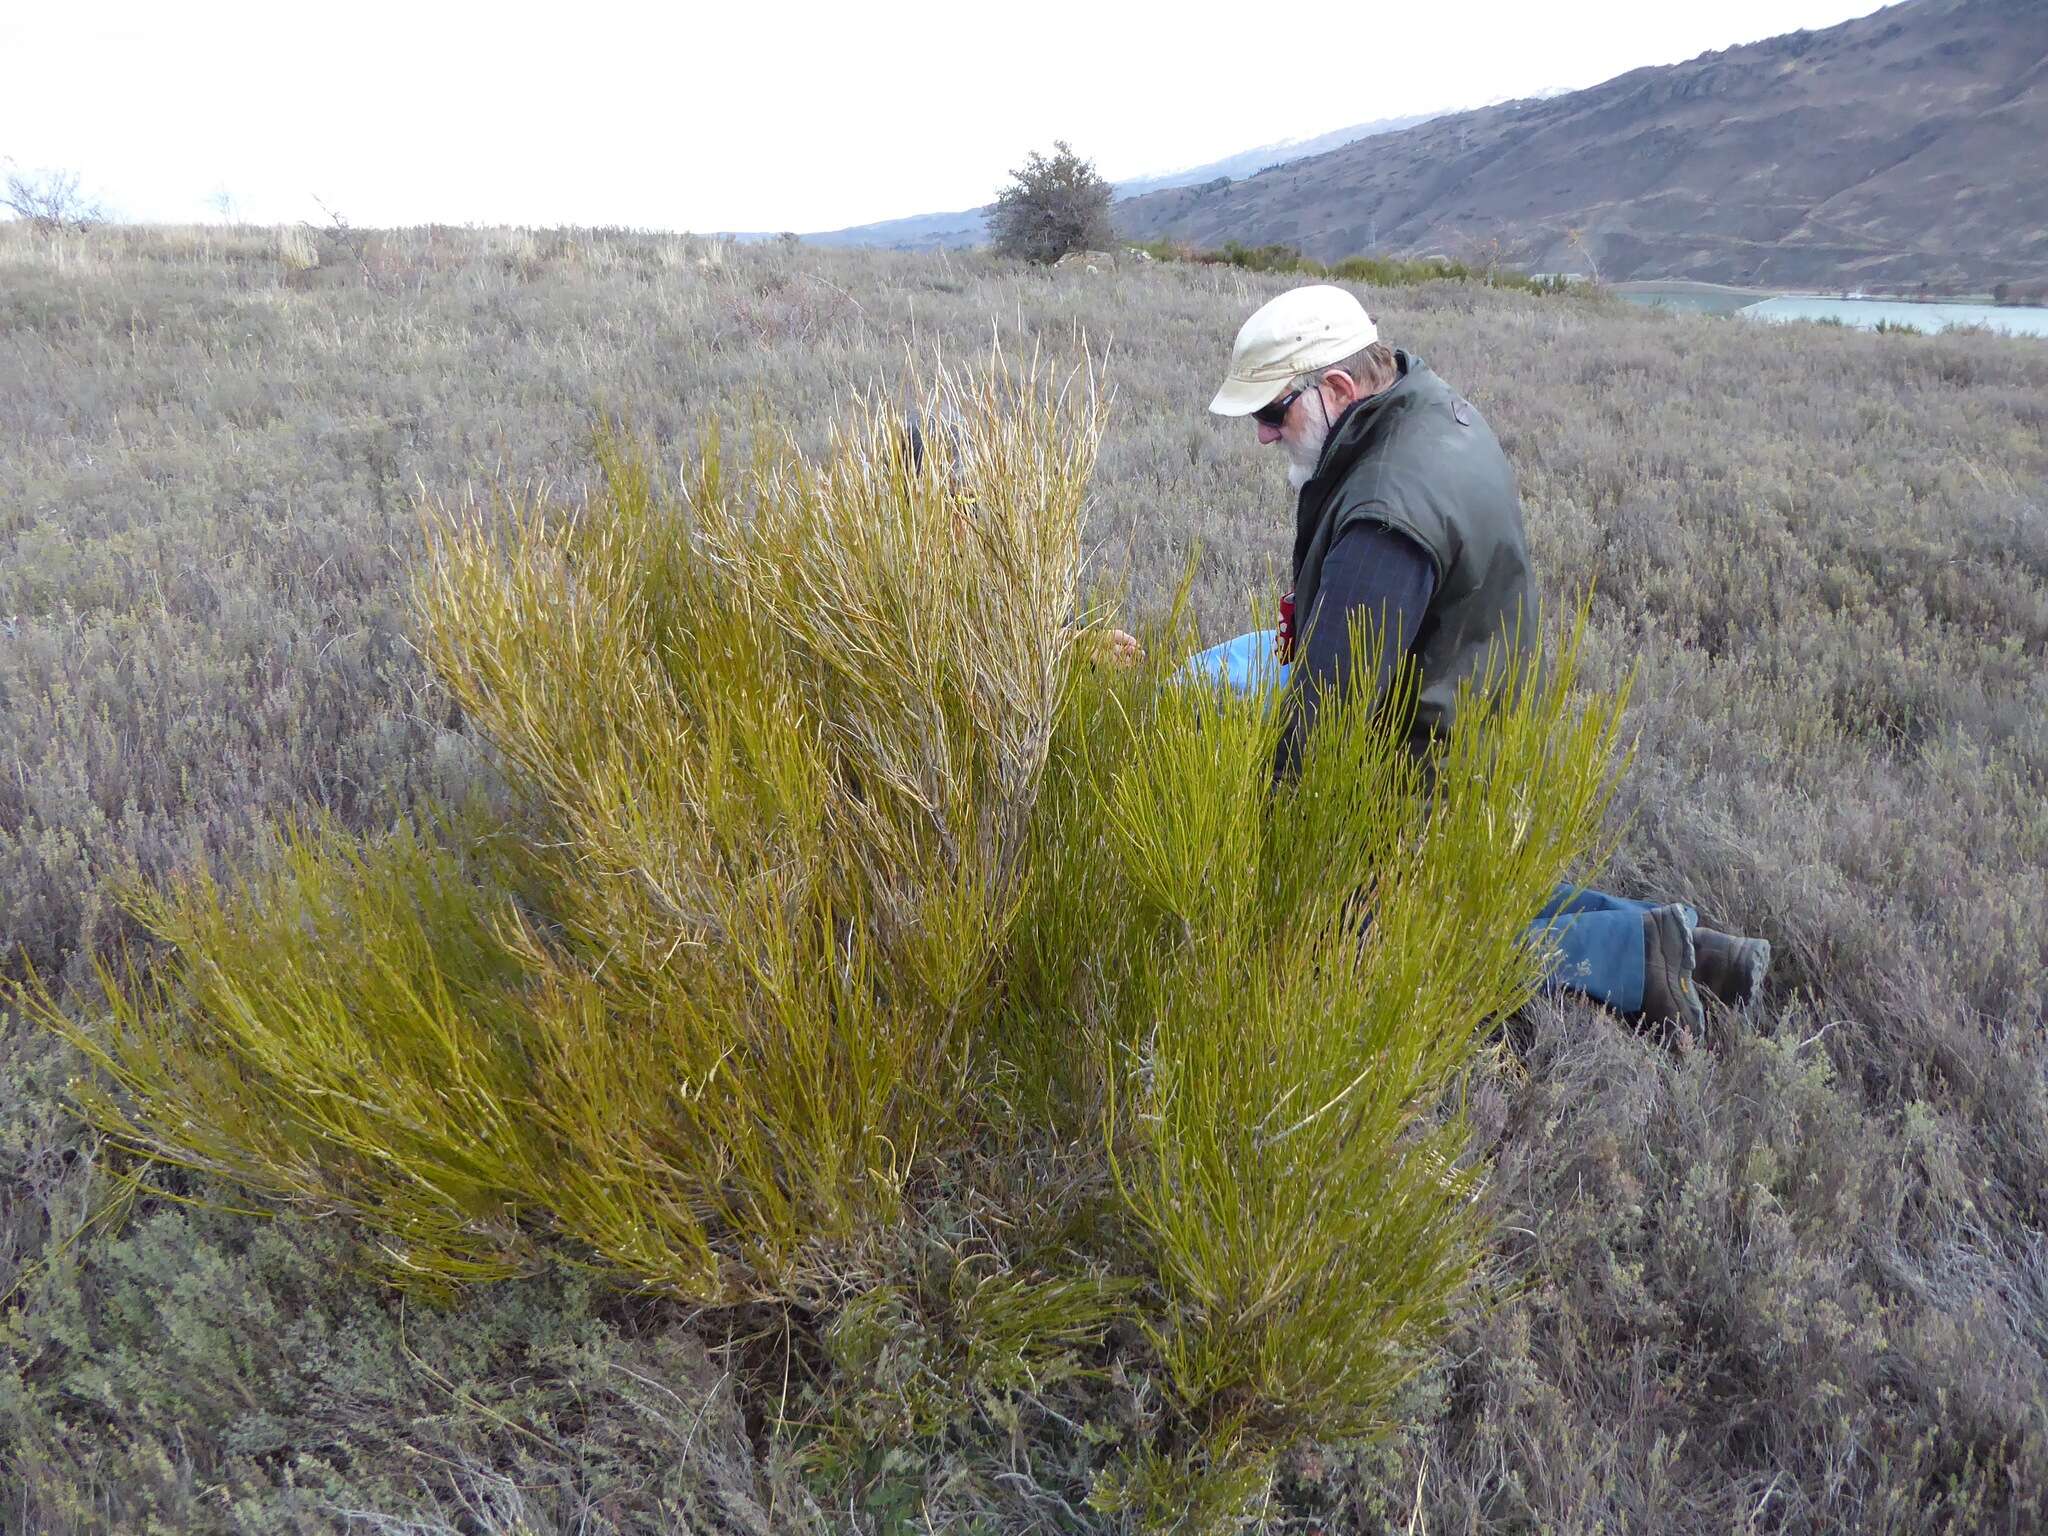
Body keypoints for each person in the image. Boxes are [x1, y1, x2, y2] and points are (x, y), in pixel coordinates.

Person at [1191, 284, 1769, 1034]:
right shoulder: (1428, 404)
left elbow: (1325, 720)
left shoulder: (1385, 515)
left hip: (1427, 771)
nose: (1265, 437)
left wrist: (1262, 867)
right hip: (1479, 724)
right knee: (1465, 883)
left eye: (1274, 413)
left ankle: (1635, 956)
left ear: (1336, 389)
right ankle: (1686, 946)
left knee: (1408, 931)